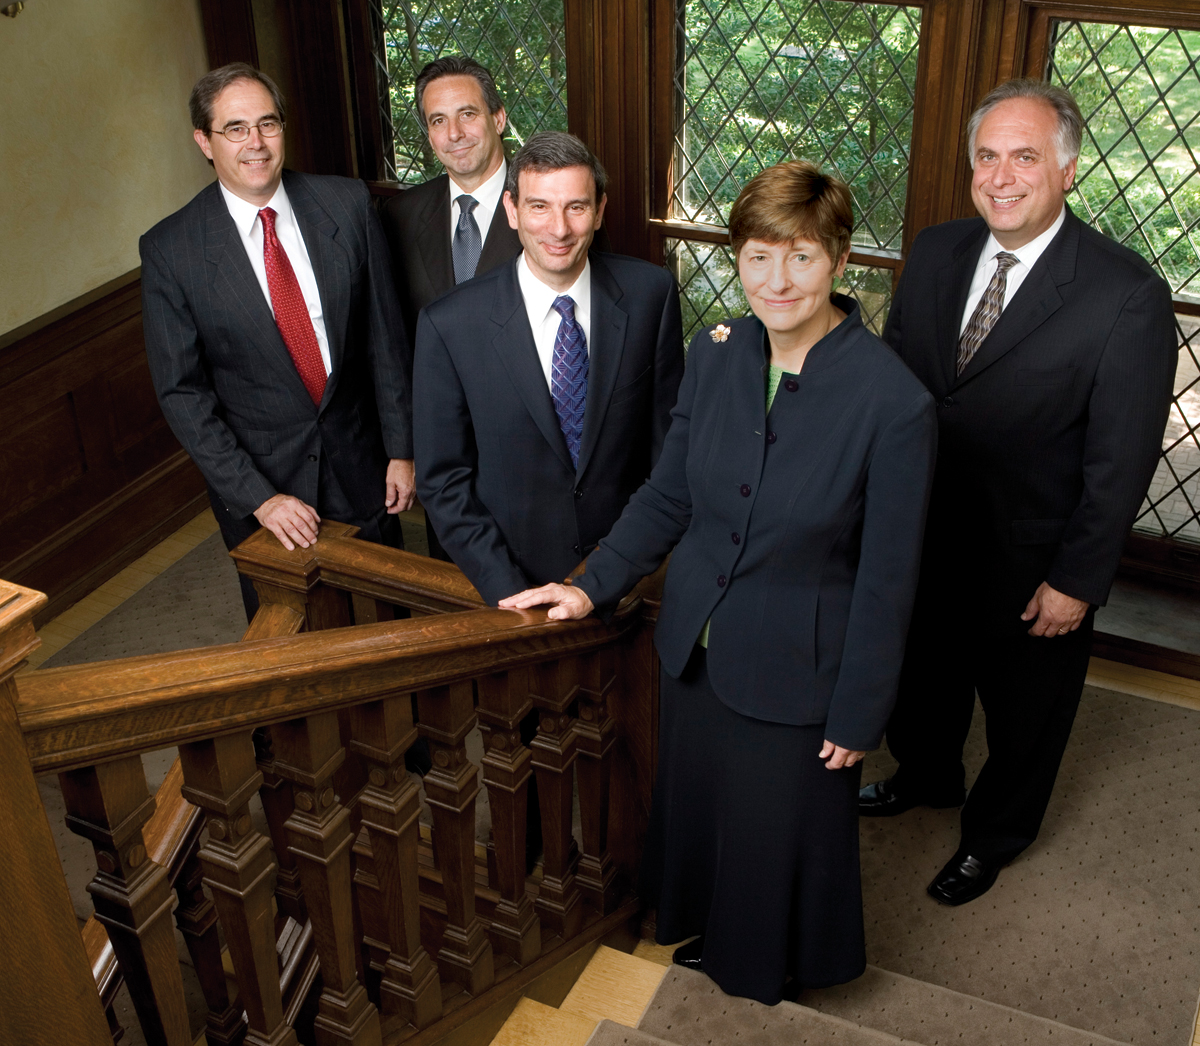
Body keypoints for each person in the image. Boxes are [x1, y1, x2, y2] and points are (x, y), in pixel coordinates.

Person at [501, 161, 937, 1005]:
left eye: (802, 258)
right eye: (758, 257)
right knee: (705, 811)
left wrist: (859, 710)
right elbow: (669, 493)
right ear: (736, 259)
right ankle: (707, 927)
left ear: (840, 262)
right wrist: (592, 586)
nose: (778, 281)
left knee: (777, 832)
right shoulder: (716, 351)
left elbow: (890, 576)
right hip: (696, 644)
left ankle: (768, 963)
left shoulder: (894, 403)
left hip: (800, 666)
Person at [859, 79, 1177, 906]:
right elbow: (896, 385)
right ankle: (926, 777)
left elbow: (1123, 458)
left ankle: (995, 835)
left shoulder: (1125, 294)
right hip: (925, 530)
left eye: (1025, 156)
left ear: (1067, 170)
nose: (1001, 176)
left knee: (1024, 716)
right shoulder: (933, 249)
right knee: (922, 679)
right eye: (988, 156)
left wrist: (1077, 577)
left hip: (1034, 556)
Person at [141, 63, 414, 621]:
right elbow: (183, 395)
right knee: (294, 640)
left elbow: (385, 339)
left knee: (390, 624)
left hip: (364, 464)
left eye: (268, 124)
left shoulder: (348, 204)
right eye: (236, 129)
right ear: (204, 142)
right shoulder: (172, 249)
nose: (256, 143)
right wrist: (258, 496)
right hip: (263, 486)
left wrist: (403, 448)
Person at [413, 131, 684, 605]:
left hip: (628, 581)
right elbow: (443, 481)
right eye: (539, 207)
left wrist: (622, 569)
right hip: (511, 588)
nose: (558, 229)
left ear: (599, 211)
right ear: (512, 210)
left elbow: (666, 455)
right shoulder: (450, 324)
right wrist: (510, 592)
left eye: (576, 207)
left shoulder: (650, 296)